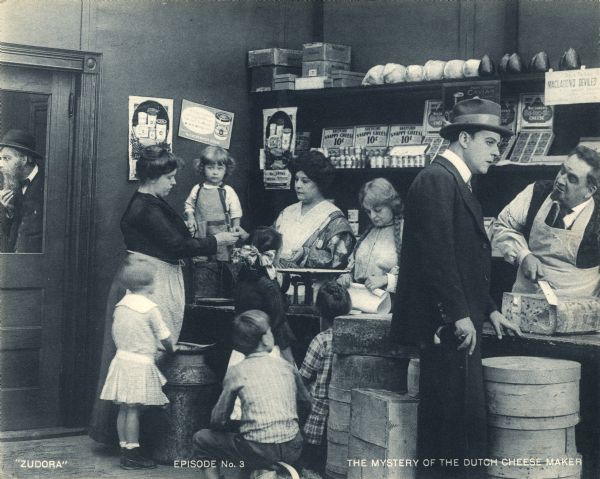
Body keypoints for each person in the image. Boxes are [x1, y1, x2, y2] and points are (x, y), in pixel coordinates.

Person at [390, 98, 522, 479]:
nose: (497, 153)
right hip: (446, 328)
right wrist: (461, 314)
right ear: (463, 138)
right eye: (490, 143)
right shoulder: (437, 180)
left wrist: (490, 309)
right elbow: (438, 257)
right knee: (451, 428)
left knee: (458, 424)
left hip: (458, 323)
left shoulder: (453, 181)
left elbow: (465, 259)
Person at [89, 144, 239, 444]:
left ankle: (135, 437)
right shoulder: (144, 207)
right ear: (154, 177)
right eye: (169, 177)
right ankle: (129, 439)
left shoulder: (152, 201)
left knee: (145, 359)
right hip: (150, 283)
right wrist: (217, 240)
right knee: (144, 358)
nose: (173, 183)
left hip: (157, 279)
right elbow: (176, 246)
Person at [192, 310, 309, 479]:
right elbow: (306, 402)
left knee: (201, 439)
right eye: (270, 331)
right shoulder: (287, 367)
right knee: (249, 447)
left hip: (258, 450)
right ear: (264, 339)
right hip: (293, 447)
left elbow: (218, 419)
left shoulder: (236, 371)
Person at [492, 145, 600, 297]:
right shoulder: (536, 191)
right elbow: (503, 225)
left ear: (589, 191)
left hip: (576, 311)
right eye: (562, 171)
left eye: (572, 179)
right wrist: (523, 255)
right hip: (527, 302)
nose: (561, 181)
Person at [99, 257, 175, 470]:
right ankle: (132, 455)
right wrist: (171, 348)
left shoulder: (121, 305)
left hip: (122, 360)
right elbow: (165, 336)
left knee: (124, 408)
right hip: (139, 364)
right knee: (133, 410)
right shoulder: (150, 308)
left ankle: (125, 449)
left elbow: (123, 332)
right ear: (149, 284)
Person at [298, 281, 351, 476]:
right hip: (342, 418)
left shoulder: (320, 340)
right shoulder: (351, 337)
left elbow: (302, 378)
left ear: (319, 311)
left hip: (317, 420)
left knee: (310, 467)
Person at [275, 150, 355, 269]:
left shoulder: (335, 219)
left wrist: (306, 253)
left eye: (305, 181)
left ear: (319, 183)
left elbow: (339, 261)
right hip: (279, 284)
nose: (298, 185)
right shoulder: (287, 212)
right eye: (296, 179)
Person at [184, 146, 243, 297]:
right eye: (210, 167)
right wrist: (190, 218)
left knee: (223, 268)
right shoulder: (196, 189)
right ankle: (203, 296)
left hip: (222, 233)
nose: (215, 172)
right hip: (202, 234)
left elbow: (236, 212)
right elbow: (189, 206)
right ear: (202, 168)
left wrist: (236, 228)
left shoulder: (227, 190)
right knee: (202, 267)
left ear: (226, 169)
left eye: (219, 168)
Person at [233, 226, 296, 364]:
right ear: (272, 254)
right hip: (266, 352)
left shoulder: (242, 278)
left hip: (241, 351)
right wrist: (291, 364)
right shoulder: (268, 286)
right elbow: (280, 328)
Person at [337, 178, 403, 294]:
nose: (373, 216)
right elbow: (353, 266)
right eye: (368, 211)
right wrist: (347, 275)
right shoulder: (368, 233)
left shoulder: (406, 231)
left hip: (391, 304)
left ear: (391, 205)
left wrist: (386, 279)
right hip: (361, 301)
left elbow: (416, 275)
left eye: (378, 210)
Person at [0, 129, 45, 253]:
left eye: (6, 158)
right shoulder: (13, 185)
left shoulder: (46, 184)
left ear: (24, 159)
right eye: (0, 158)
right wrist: (8, 211)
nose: (0, 164)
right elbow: (9, 237)